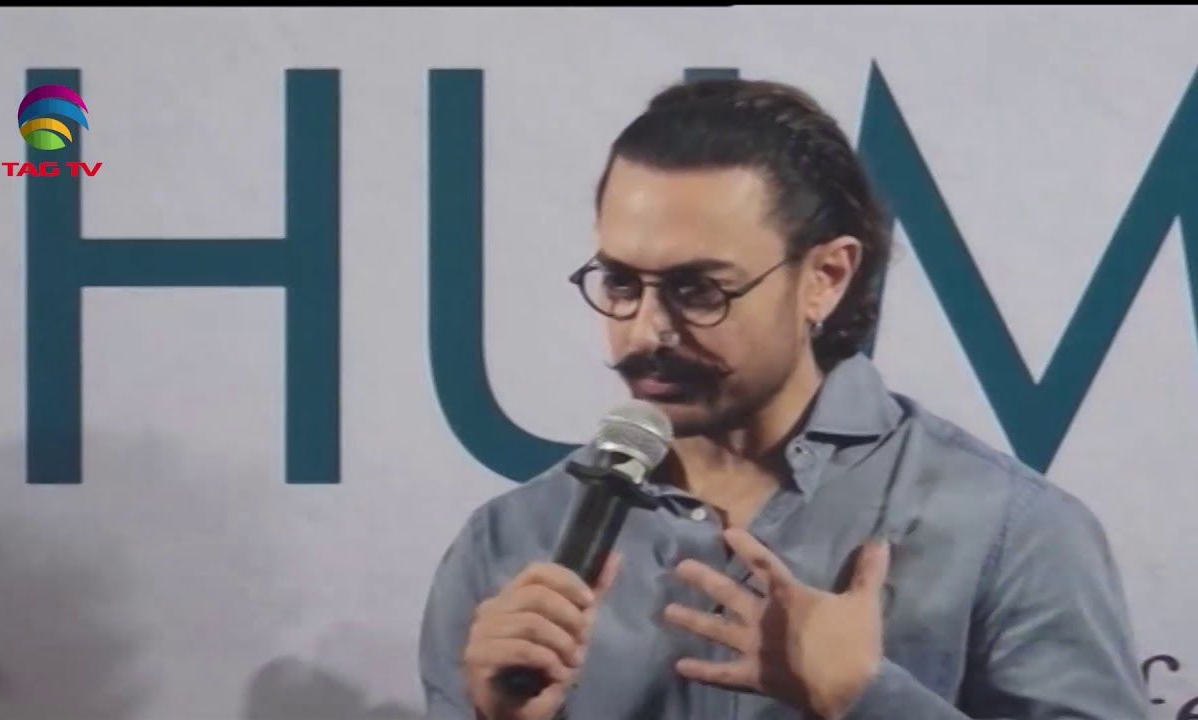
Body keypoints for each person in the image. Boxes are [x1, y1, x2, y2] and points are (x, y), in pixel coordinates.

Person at [418, 77, 1148, 720]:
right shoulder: (507, 543)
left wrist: (866, 698)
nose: (645, 331)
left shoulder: (1010, 531)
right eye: (621, 283)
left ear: (826, 277)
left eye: (698, 289)